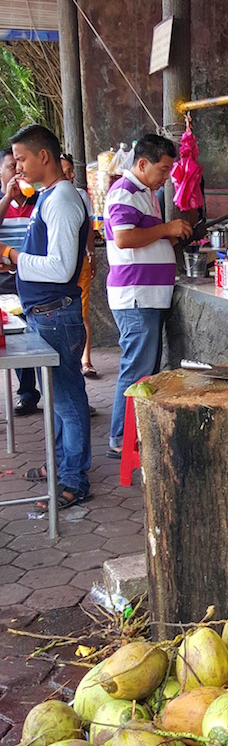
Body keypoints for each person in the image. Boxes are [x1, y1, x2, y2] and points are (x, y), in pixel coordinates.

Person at [0, 124, 91, 509]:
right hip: (45, 312)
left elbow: (60, 267)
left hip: (57, 313)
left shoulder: (63, 200)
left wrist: (11, 256)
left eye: (21, 159)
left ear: (44, 156)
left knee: (68, 400)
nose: (17, 167)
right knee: (57, 398)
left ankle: (74, 479)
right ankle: (59, 465)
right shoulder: (48, 197)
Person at [104, 134, 192, 460]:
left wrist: (172, 235)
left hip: (149, 294)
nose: (167, 176)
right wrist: (166, 230)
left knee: (145, 369)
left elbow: (147, 239)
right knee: (136, 370)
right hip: (136, 296)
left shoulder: (147, 193)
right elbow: (125, 238)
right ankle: (121, 438)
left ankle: (133, 435)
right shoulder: (124, 192)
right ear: (142, 164)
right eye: (163, 169)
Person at [0, 147, 40, 414]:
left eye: (20, 165)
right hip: (4, 278)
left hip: (34, 276)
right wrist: (6, 197)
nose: (17, 171)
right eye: (11, 166)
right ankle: (26, 393)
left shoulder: (39, 199)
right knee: (13, 338)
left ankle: (59, 394)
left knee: (38, 334)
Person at [61, 154, 97, 378]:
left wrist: (91, 254)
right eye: (66, 171)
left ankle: (86, 360)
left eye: (71, 171)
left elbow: (90, 227)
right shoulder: (44, 197)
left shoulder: (81, 195)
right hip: (60, 266)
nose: (72, 175)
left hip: (81, 261)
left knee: (82, 314)